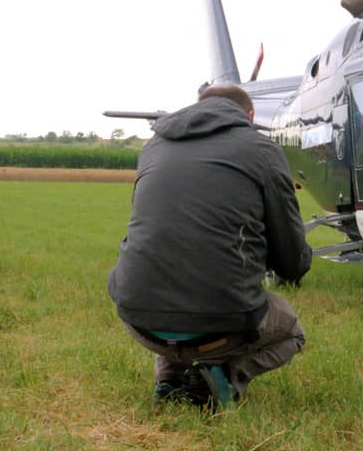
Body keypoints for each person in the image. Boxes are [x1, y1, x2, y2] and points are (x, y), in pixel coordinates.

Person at [107, 84, 312, 407]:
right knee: (293, 332)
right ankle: (229, 376)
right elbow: (291, 260)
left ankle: (170, 379)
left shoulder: (154, 147)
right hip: (222, 326)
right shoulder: (261, 149)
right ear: (250, 115)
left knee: (171, 275)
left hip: (139, 318)